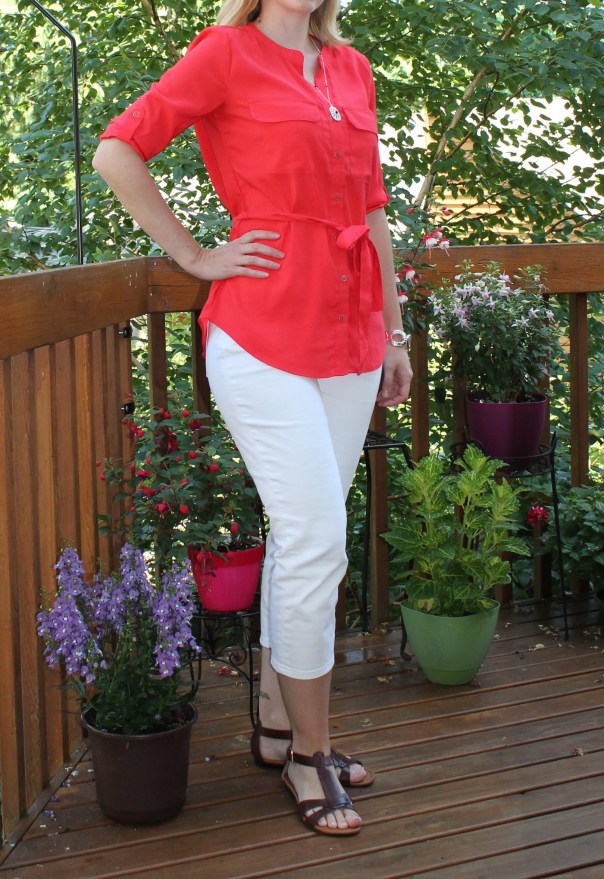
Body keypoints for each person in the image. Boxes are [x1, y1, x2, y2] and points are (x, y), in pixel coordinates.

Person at [93, 0, 412, 837]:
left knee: (303, 536)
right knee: (317, 537)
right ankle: (312, 752)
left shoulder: (349, 65)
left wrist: (395, 333)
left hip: (350, 337)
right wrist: (194, 254)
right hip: (261, 337)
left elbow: (374, 210)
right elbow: (117, 149)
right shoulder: (224, 53)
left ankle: (278, 724)